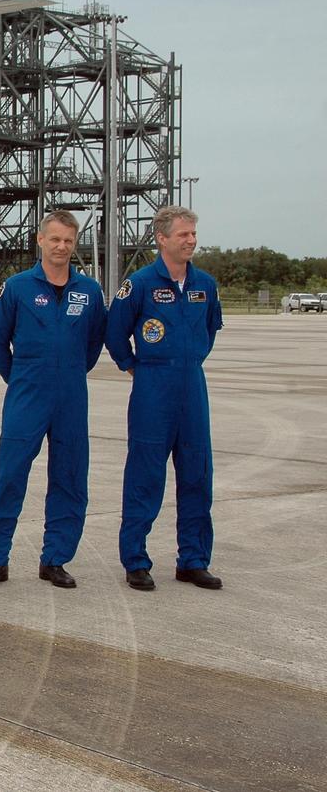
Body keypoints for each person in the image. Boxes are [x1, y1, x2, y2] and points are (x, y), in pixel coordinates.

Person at [0, 211, 108, 590]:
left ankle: (55, 559)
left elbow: (95, 341)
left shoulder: (90, 291)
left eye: (68, 240)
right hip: (27, 393)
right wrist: (18, 377)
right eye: (55, 239)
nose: (62, 247)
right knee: (11, 475)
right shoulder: (16, 287)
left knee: (69, 477)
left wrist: (72, 371)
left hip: (71, 396)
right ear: (40, 240)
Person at [106, 205, 224, 592]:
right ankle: (136, 561)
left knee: (197, 474)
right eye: (183, 234)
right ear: (162, 239)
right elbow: (115, 331)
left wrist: (188, 362)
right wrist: (134, 366)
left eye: (193, 234)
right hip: (152, 388)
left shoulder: (204, 284)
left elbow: (210, 328)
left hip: (192, 386)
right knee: (145, 475)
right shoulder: (139, 283)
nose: (191, 240)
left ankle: (193, 560)